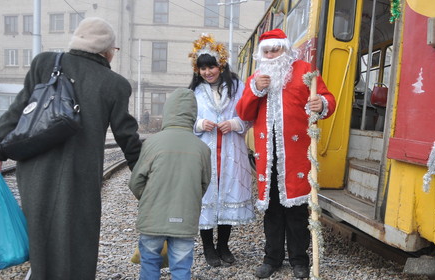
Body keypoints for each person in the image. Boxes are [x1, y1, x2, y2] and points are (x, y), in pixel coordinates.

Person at [0, 17, 142, 279]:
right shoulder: (115, 84)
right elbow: (127, 137)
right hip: (80, 173)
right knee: (78, 236)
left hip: (36, 168)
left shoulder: (45, 63)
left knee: (39, 231)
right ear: (106, 50)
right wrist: (145, 174)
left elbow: (19, 109)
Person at [235, 29, 336, 279]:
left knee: (296, 210)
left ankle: (299, 261)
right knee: (271, 210)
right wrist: (254, 91)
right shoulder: (256, 77)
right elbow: (244, 114)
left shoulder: (304, 71)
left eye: (275, 50)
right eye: (267, 51)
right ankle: (272, 259)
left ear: (285, 49)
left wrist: (321, 104)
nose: (271, 54)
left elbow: (327, 99)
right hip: (267, 155)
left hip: (295, 154)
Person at [129, 88, 211, 280]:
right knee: (181, 268)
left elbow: (136, 182)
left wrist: (149, 198)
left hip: (153, 217)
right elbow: (204, 184)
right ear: (193, 114)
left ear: (168, 112)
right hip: (184, 219)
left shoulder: (152, 142)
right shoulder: (202, 148)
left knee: (149, 263)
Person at [188, 34, 255, 267]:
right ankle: (208, 247)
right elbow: (185, 119)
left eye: (212, 66)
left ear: (221, 65)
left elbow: (249, 115)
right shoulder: (194, 92)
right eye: (203, 68)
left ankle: (223, 245)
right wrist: (198, 124)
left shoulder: (238, 87)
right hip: (204, 150)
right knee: (206, 195)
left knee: (227, 194)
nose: (208, 72)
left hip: (231, 151)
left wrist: (235, 123)